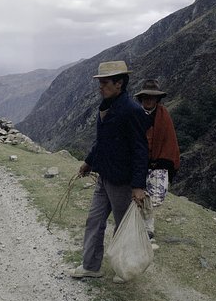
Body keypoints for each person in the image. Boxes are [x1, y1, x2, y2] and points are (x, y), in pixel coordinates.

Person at [69, 61, 151, 281]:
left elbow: (140, 150)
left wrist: (138, 186)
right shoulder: (106, 107)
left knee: (123, 225)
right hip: (104, 176)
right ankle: (91, 266)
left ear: (119, 83)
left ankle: (125, 269)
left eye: (105, 83)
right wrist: (88, 162)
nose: (100, 87)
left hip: (122, 180)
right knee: (94, 220)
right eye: (100, 83)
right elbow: (102, 142)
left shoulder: (132, 111)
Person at [134, 79, 180, 236]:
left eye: (152, 97)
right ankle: (139, 227)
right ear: (142, 98)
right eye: (146, 96)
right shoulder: (134, 114)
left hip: (156, 165)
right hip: (137, 163)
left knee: (151, 200)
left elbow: (169, 140)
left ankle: (148, 228)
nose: (149, 100)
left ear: (157, 99)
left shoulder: (163, 115)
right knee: (136, 197)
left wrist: (163, 162)